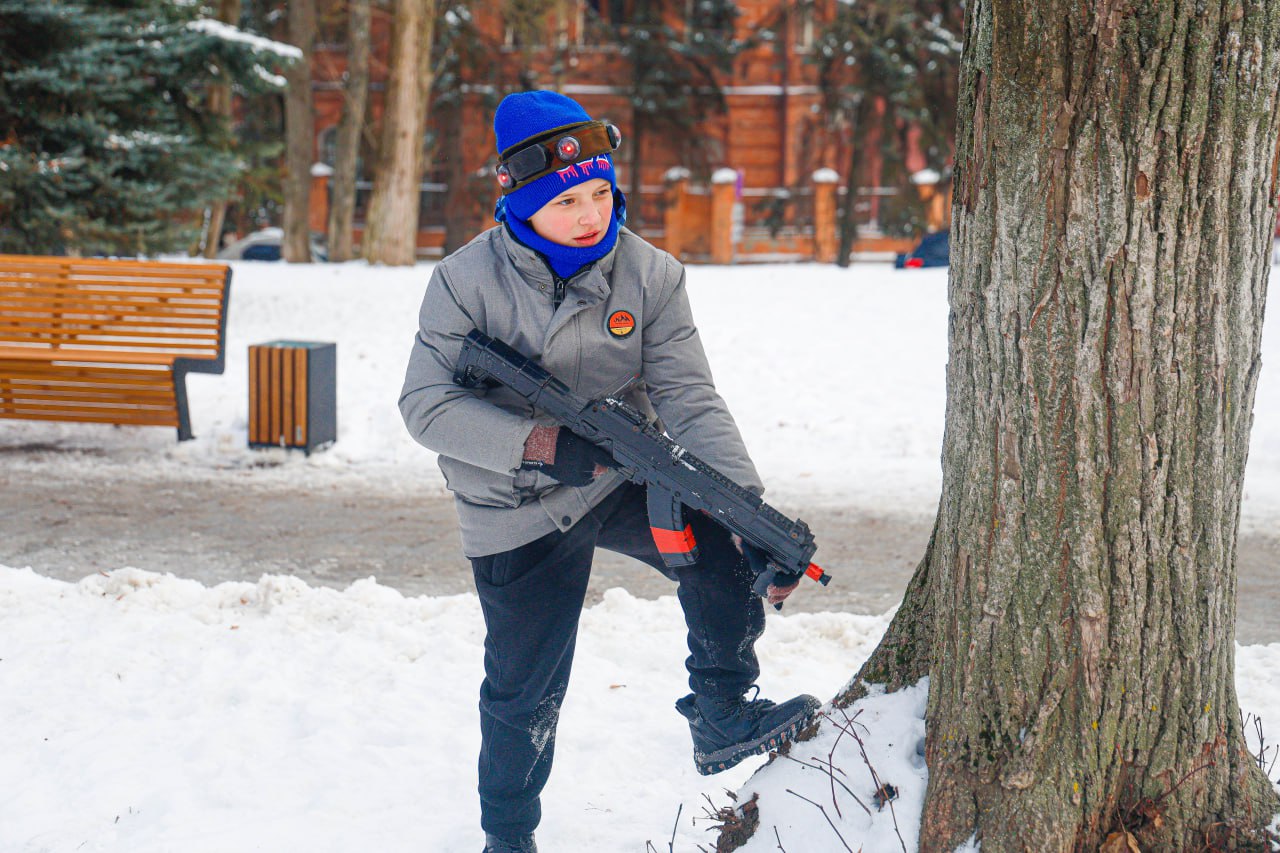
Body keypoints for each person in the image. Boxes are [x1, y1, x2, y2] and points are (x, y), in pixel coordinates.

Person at [399, 90, 819, 853]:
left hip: (619, 474)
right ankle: (508, 835)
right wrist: (539, 444)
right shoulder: (465, 281)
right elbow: (425, 406)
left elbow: (690, 399)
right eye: (568, 200)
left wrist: (748, 513)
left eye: (601, 192)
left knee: (722, 548)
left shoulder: (650, 275)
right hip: (512, 499)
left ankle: (721, 705)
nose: (591, 214)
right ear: (522, 201)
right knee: (525, 687)